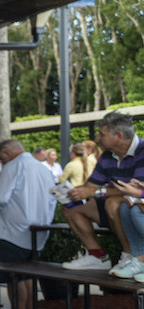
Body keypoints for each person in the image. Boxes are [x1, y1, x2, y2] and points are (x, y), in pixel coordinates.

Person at [59, 111, 144, 273]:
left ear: (118, 136)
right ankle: (97, 256)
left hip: (135, 209)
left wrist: (95, 192)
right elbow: (90, 186)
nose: (97, 138)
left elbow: (135, 191)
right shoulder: (107, 155)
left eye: (101, 134)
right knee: (72, 207)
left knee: (113, 203)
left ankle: (130, 257)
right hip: (117, 210)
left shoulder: (143, 150)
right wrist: (78, 192)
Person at [0, 139, 57, 309]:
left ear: (6, 154)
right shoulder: (44, 169)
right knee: (28, 277)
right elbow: (52, 201)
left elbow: (0, 198)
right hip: (38, 232)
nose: (1, 162)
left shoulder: (12, 167)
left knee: (14, 278)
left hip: (11, 232)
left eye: (0, 158)